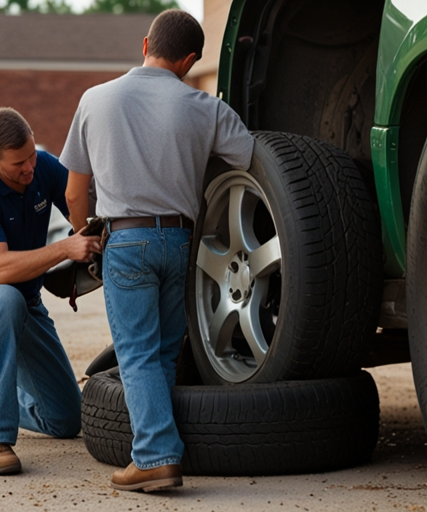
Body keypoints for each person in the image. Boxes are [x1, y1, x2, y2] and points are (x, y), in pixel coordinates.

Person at [60, 9, 255, 492]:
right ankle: (159, 447)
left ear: (144, 42)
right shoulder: (204, 107)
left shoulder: (95, 99)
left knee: (137, 354)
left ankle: (155, 457)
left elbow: (73, 191)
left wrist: (86, 235)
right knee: (164, 351)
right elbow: (252, 158)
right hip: (181, 242)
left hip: (125, 239)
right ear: (190, 60)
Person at [0, 107, 102, 475]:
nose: (29, 169)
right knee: (5, 299)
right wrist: (64, 249)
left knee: (66, 419)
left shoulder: (43, 166)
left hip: (26, 305)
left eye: (31, 155)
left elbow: (85, 207)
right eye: (18, 164)